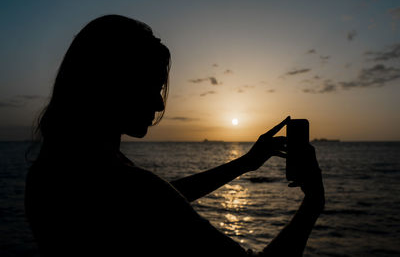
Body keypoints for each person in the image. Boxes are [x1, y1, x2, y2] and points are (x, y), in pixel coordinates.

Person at [25, 15, 324, 257]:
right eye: (151, 87)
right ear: (112, 85)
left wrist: (245, 163)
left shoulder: (48, 176)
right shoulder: (132, 188)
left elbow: (159, 202)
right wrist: (312, 204)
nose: (158, 103)